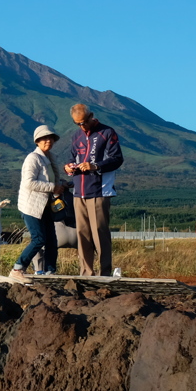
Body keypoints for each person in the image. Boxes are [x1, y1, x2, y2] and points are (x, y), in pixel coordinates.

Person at [64, 104, 124, 276]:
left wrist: (95, 166)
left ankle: (104, 273)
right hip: (78, 191)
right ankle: (86, 273)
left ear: (91, 116)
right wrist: (68, 167)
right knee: (82, 235)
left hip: (99, 191)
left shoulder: (107, 133)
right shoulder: (76, 136)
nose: (82, 126)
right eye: (77, 124)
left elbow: (117, 159)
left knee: (100, 234)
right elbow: (71, 157)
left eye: (83, 122)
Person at [9, 125, 68, 283]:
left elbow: (50, 180)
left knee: (51, 240)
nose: (48, 141)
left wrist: (63, 184)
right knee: (39, 239)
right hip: (31, 206)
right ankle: (17, 268)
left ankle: (50, 272)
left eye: (50, 138)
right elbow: (29, 183)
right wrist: (53, 187)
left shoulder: (50, 158)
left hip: (45, 206)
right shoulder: (32, 158)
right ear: (37, 141)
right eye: (44, 138)